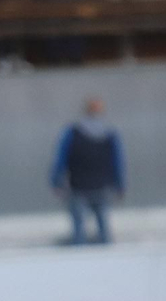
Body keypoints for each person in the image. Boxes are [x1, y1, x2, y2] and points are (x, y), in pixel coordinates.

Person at [50, 98, 125, 246]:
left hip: (78, 185)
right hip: (101, 186)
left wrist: (55, 181)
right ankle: (106, 257)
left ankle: (79, 259)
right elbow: (117, 162)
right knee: (103, 228)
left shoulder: (73, 132)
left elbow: (61, 158)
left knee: (79, 230)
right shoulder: (109, 134)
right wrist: (119, 184)